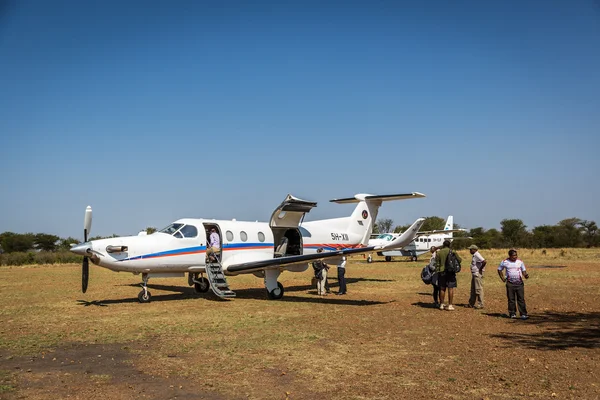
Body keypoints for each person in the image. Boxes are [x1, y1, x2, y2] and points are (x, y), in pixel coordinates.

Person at [497, 249, 530, 320]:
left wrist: (525, 275)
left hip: (519, 283)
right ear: (510, 256)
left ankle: (523, 314)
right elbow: (499, 270)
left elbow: (523, 270)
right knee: (511, 299)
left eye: (516, 255)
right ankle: (512, 313)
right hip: (510, 284)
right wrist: (503, 278)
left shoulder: (520, 262)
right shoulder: (505, 262)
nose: (515, 257)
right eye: (513, 255)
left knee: (521, 299)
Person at [435, 240, 462, 311]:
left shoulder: (439, 252)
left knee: (442, 288)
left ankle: (441, 304)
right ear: (449, 245)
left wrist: (438, 270)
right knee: (450, 288)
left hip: (442, 272)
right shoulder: (453, 251)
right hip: (451, 272)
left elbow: (437, 263)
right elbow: (459, 260)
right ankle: (450, 305)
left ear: (443, 245)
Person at [467, 245, 486, 309]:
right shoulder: (475, 255)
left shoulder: (477, 255)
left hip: (477, 274)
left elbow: (484, 261)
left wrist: (480, 269)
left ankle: (481, 304)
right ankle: (471, 303)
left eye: (471, 249)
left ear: (474, 249)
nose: (470, 251)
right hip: (474, 274)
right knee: (473, 289)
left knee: (478, 289)